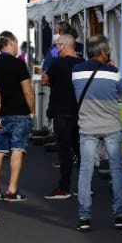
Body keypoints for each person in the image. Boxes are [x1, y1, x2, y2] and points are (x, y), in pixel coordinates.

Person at [71, 36, 122, 232]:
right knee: (116, 169)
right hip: (111, 126)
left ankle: (84, 217)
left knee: (86, 170)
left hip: (87, 127)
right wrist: (112, 70)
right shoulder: (113, 72)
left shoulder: (76, 71)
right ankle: (120, 215)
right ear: (104, 51)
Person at [0, 31, 35, 201]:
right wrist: (32, 111)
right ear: (11, 42)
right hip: (19, 112)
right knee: (17, 149)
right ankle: (12, 190)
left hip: (0, 113)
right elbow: (28, 91)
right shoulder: (18, 64)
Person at [41, 33, 81, 199]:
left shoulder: (58, 63)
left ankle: (64, 187)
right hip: (80, 112)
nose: (55, 49)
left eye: (57, 46)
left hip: (61, 113)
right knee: (81, 151)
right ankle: (85, 186)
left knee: (64, 152)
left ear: (64, 46)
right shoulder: (83, 63)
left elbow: (44, 80)